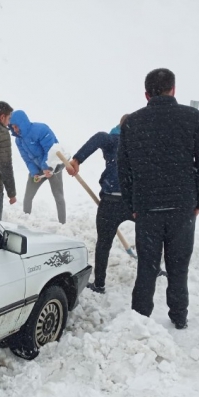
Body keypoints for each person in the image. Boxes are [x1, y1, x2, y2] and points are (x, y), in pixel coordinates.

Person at [117, 68, 199, 329]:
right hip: (182, 208)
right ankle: (179, 317)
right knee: (178, 268)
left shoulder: (132, 123)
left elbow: (123, 169)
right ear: (173, 89)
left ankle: (139, 319)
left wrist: (133, 207)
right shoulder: (192, 117)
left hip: (147, 209)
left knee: (146, 268)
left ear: (146, 94)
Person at [67, 114, 131, 294]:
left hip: (112, 200)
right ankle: (152, 269)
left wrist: (77, 159)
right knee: (148, 237)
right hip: (133, 202)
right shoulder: (140, 141)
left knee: (103, 243)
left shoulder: (112, 139)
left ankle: (100, 284)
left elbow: (99, 137)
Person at [9, 110, 66, 224]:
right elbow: (27, 158)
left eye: (16, 126)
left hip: (53, 166)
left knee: (58, 195)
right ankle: (26, 221)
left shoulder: (41, 129)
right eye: (13, 127)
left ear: (22, 123)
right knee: (28, 196)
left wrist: (47, 167)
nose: (15, 130)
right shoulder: (18, 140)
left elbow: (50, 149)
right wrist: (34, 172)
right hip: (38, 168)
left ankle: (62, 224)